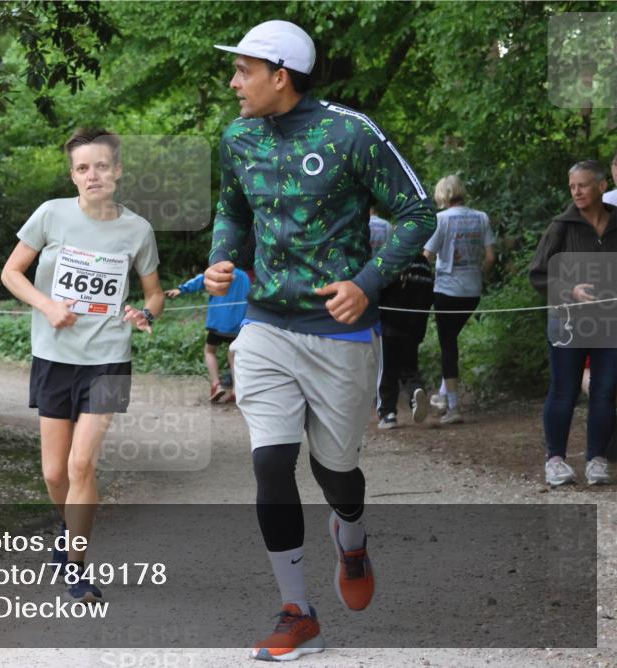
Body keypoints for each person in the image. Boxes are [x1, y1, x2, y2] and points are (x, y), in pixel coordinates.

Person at [206, 20, 436, 661]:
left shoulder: (350, 133)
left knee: (336, 473)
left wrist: (368, 282)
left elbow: (419, 213)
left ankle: (352, 537)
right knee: (269, 463)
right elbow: (233, 210)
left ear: (280, 75)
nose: (233, 82)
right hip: (266, 327)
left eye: (243, 70)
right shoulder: (238, 137)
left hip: (340, 334)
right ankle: (297, 611)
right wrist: (225, 256)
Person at [0, 128, 164, 602]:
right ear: (73, 176)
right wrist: (48, 306)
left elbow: (153, 292)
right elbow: (11, 272)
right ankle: (66, 525)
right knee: (54, 474)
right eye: (83, 168)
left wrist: (146, 312)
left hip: (110, 360)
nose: (93, 175)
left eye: (102, 166)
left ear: (118, 170)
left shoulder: (137, 230)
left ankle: (75, 566)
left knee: (81, 463)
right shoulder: (50, 215)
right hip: (54, 358)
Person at [529, 159, 616, 486]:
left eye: (583, 185)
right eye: (572, 186)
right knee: (564, 391)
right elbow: (537, 274)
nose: (577, 192)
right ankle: (555, 460)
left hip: (610, 326)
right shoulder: (561, 226)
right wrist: (570, 290)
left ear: (602, 186)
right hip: (567, 324)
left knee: (604, 392)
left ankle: (597, 459)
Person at [423, 175, 496, 424]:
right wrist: (479, 275)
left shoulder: (440, 220)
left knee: (448, 346)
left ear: (442, 194)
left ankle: (453, 407)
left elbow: (427, 255)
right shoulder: (481, 217)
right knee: (451, 340)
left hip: (446, 290)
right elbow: (490, 258)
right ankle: (443, 395)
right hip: (472, 291)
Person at [375, 211, 434, 429]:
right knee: (409, 366)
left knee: (387, 368)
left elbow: (381, 289)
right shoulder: (423, 264)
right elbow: (429, 295)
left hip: (390, 324)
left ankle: (388, 413)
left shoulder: (391, 260)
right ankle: (415, 391)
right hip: (416, 325)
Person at [165, 267, 251, 402]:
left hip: (217, 324)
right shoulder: (245, 277)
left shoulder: (217, 271)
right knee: (233, 355)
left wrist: (181, 289)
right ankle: (236, 390)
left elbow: (201, 280)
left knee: (210, 351)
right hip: (237, 326)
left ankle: (216, 384)